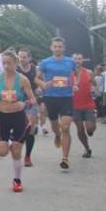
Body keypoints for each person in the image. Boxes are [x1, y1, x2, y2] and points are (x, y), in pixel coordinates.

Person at [0, 51, 37, 193]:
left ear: (16, 63)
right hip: (2, 117)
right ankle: (7, 140)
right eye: (4, 63)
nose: (6, 66)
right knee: (2, 152)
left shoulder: (22, 80)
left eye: (9, 63)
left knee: (16, 151)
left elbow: (33, 99)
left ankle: (17, 180)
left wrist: (24, 104)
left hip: (19, 118)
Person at [37, 37, 77, 170]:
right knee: (55, 126)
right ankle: (57, 135)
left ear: (64, 48)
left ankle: (65, 158)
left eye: (60, 46)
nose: (58, 49)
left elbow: (77, 74)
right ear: (51, 48)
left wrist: (75, 84)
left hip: (66, 97)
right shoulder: (45, 62)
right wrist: (43, 84)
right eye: (55, 46)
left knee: (65, 127)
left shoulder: (70, 62)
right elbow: (37, 78)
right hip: (50, 97)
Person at [71, 53, 97, 158]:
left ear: (82, 60)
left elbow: (95, 84)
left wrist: (94, 89)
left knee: (90, 128)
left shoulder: (89, 72)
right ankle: (87, 148)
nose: (77, 61)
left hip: (88, 104)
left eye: (79, 59)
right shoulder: (67, 73)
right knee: (80, 129)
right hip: (74, 106)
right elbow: (60, 85)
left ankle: (91, 130)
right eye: (75, 59)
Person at [16, 48, 39, 166]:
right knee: (19, 128)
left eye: (24, 57)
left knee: (30, 128)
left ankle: (27, 157)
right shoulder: (15, 69)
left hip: (31, 100)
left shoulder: (35, 69)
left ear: (30, 58)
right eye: (20, 57)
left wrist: (39, 88)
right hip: (17, 101)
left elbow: (41, 81)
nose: (22, 59)